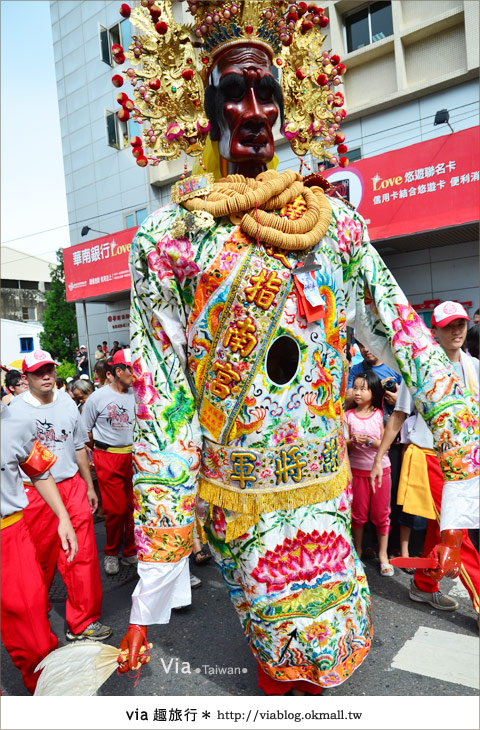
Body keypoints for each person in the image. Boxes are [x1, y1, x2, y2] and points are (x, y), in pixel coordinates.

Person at [118, 2, 478, 694]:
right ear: (206, 106)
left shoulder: (336, 225)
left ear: (287, 107)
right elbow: (163, 403)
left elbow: (405, 333)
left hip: (327, 492)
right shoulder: (168, 241)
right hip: (243, 505)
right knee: (281, 668)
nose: (254, 110)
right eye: (233, 92)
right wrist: (156, 574)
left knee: (338, 652)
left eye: (267, 93)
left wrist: (465, 471)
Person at [371, 301, 479, 615]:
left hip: (466, 462)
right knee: (458, 534)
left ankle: (423, 584)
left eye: (460, 324)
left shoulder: (474, 368)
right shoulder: (418, 368)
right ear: (434, 331)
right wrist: (379, 458)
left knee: (439, 530)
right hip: (429, 458)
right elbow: (398, 417)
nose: (456, 331)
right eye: (448, 326)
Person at [9, 349, 111, 642]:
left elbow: (78, 444)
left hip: (71, 486)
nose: (46, 376)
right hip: (34, 492)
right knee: (38, 560)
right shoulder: (14, 411)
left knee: (83, 556)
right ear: (25, 377)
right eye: (39, 372)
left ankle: (82, 621)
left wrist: (89, 485)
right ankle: (35, 616)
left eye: (50, 370)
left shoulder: (67, 400)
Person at [1, 403, 78, 694]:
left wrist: (63, 518)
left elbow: (40, 473)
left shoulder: (18, 423)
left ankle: (46, 692)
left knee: (35, 638)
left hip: (9, 535)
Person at [81, 349, 137, 576]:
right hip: (108, 457)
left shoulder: (140, 393)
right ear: (118, 370)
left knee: (134, 507)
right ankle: (112, 553)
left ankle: (131, 551)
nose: (135, 374)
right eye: (131, 369)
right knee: (115, 510)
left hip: (135, 457)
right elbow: (84, 431)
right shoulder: (97, 397)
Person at [345, 371, 393, 575]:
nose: (357, 392)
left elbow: (386, 444)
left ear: (373, 392)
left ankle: (383, 555)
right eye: (355, 387)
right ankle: (357, 551)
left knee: (381, 515)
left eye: (363, 389)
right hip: (357, 472)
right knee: (357, 515)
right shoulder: (347, 416)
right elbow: (344, 444)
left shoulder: (380, 415)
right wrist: (353, 442)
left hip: (381, 470)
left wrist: (371, 442)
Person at [345, 343, 402, 413]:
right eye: (362, 345)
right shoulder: (356, 370)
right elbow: (348, 401)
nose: (366, 349)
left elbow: (410, 397)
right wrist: (377, 387)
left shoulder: (396, 366)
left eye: (369, 343)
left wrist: (398, 401)